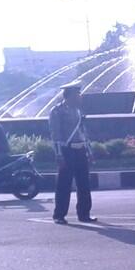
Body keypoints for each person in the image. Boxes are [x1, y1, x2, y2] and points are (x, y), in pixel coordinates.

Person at [48, 81, 94, 224]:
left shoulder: (79, 111)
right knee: (64, 184)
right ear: (69, 96)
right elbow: (55, 134)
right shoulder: (57, 111)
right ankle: (59, 215)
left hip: (80, 150)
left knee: (84, 183)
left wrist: (89, 151)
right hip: (67, 150)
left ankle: (84, 214)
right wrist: (59, 155)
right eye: (77, 94)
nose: (80, 96)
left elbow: (83, 132)